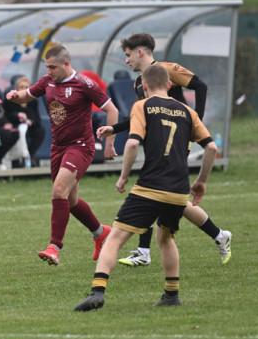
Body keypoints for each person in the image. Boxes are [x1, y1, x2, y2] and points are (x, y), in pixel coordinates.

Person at [74, 64, 217, 311]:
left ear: (145, 87)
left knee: (115, 239)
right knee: (165, 238)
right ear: (170, 86)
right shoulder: (187, 111)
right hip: (178, 190)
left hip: (149, 187)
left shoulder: (142, 106)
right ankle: (172, 295)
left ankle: (97, 292)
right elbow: (212, 148)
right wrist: (201, 181)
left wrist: (123, 176)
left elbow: (131, 144)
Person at [105, 32, 231, 266]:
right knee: (172, 199)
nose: (126, 60)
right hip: (155, 142)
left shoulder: (167, 69)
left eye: (128, 55)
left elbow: (200, 86)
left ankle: (144, 252)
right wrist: (115, 128)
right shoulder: (138, 82)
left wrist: (196, 122)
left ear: (140, 52)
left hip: (175, 142)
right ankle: (219, 235)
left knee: (155, 192)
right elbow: (139, 113)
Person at [6, 44, 118, 265]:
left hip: (80, 146)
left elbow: (111, 110)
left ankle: (54, 247)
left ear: (66, 64)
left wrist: (109, 144)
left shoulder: (84, 84)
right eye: (47, 67)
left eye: (53, 67)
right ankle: (101, 233)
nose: (49, 72)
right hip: (58, 147)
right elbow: (26, 96)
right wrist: (14, 96)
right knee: (71, 200)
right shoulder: (47, 81)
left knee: (58, 191)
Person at [3, 75, 45, 167]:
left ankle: (30, 155)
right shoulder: (11, 100)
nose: (24, 89)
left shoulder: (33, 101)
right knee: (22, 132)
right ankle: (17, 160)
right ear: (16, 89)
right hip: (16, 125)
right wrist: (17, 115)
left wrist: (31, 121)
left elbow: (37, 119)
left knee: (40, 131)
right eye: (21, 87)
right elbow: (8, 115)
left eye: (26, 87)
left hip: (30, 126)